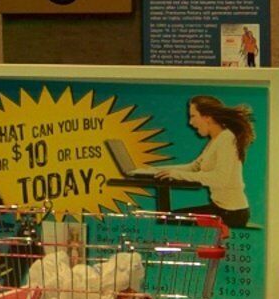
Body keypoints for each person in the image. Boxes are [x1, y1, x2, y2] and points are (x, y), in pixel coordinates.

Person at [110, 96, 259, 228]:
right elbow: (194, 167)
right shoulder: (216, 140)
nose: (191, 122)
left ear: (207, 117)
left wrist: (176, 174)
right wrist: (152, 170)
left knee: (169, 219)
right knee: (168, 218)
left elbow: (220, 178)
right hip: (221, 210)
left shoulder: (226, 139)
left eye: (193, 116)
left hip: (231, 214)